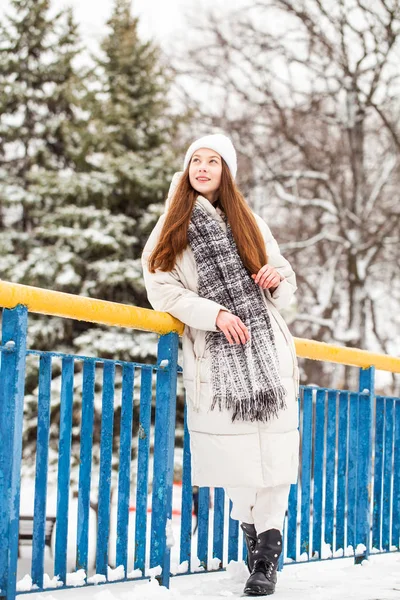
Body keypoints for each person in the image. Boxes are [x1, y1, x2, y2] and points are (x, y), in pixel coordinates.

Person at [141, 134, 299, 596]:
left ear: (226, 171)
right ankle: (253, 537)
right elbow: (161, 287)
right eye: (196, 160)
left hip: (268, 354)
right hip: (217, 357)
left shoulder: (249, 221)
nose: (203, 167)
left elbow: (284, 280)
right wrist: (214, 315)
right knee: (236, 460)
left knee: (275, 455)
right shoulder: (173, 223)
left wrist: (276, 280)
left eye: (213, 161)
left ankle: (267, 552)